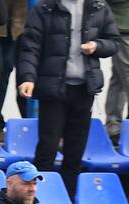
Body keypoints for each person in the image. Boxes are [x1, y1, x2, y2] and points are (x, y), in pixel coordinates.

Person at [18, 0, 120, 192]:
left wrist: (97, 45)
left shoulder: (99, 6)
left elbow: (113, 41)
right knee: (47, 147)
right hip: (53, 87)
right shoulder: (44, 8)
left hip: (84, 87)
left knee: (75, 150)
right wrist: (28, 78)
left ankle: (69, 197)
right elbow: (30, 47)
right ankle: (41, 196)